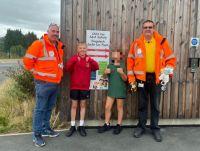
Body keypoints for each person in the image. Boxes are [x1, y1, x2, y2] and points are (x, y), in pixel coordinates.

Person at [127, 20, 176, 142]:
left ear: (154, 28)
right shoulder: (136, 43)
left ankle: (155, 128)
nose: (148, 29)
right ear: (142, 29)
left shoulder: (162, 42)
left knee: (155, 105)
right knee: (142, 105)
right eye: (145, 27)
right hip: (141, 79)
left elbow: (171, 59)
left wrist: (166, 74)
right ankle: (141, 127)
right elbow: (130, 62)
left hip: (157, 79)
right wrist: (132, 80)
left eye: (150, 27)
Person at [23, 23, 64, 147]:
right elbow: (27, 61)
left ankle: (46, 129)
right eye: (53, 31)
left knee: (49, 107)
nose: (56, 33)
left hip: (55, 83)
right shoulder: (39, 44)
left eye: (57, 31)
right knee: (40, 109)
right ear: (47, 31)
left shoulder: (58, 46)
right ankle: (37, 134)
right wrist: (35, 73)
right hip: (43, 84)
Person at [65, 42, 99, 137]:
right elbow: (67, 68)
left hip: (84, 87)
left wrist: (90, 60)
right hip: (75, 87)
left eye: (84, 48)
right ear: (77, 49)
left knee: (83, 105)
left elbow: (97, 67)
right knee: (74, 106)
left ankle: (81, 126)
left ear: (86, 49)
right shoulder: (74, 58)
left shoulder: (89, 60)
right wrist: (75, 60)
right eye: (80, 48)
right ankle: (72, 126)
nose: (82, 50)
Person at [98, 51, 127, 135]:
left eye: (117, 54)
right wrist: (104, 73)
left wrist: (122, 73)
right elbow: (104, 78)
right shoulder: (109, 66)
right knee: (107, 107)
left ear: (120, 56)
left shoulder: (123, 65)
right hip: (111, 90)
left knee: (119, 108)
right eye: (113, 54)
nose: (115, 55)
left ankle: (119, 125)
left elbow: (126, 79)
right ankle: (107, 124)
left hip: (120, 89)